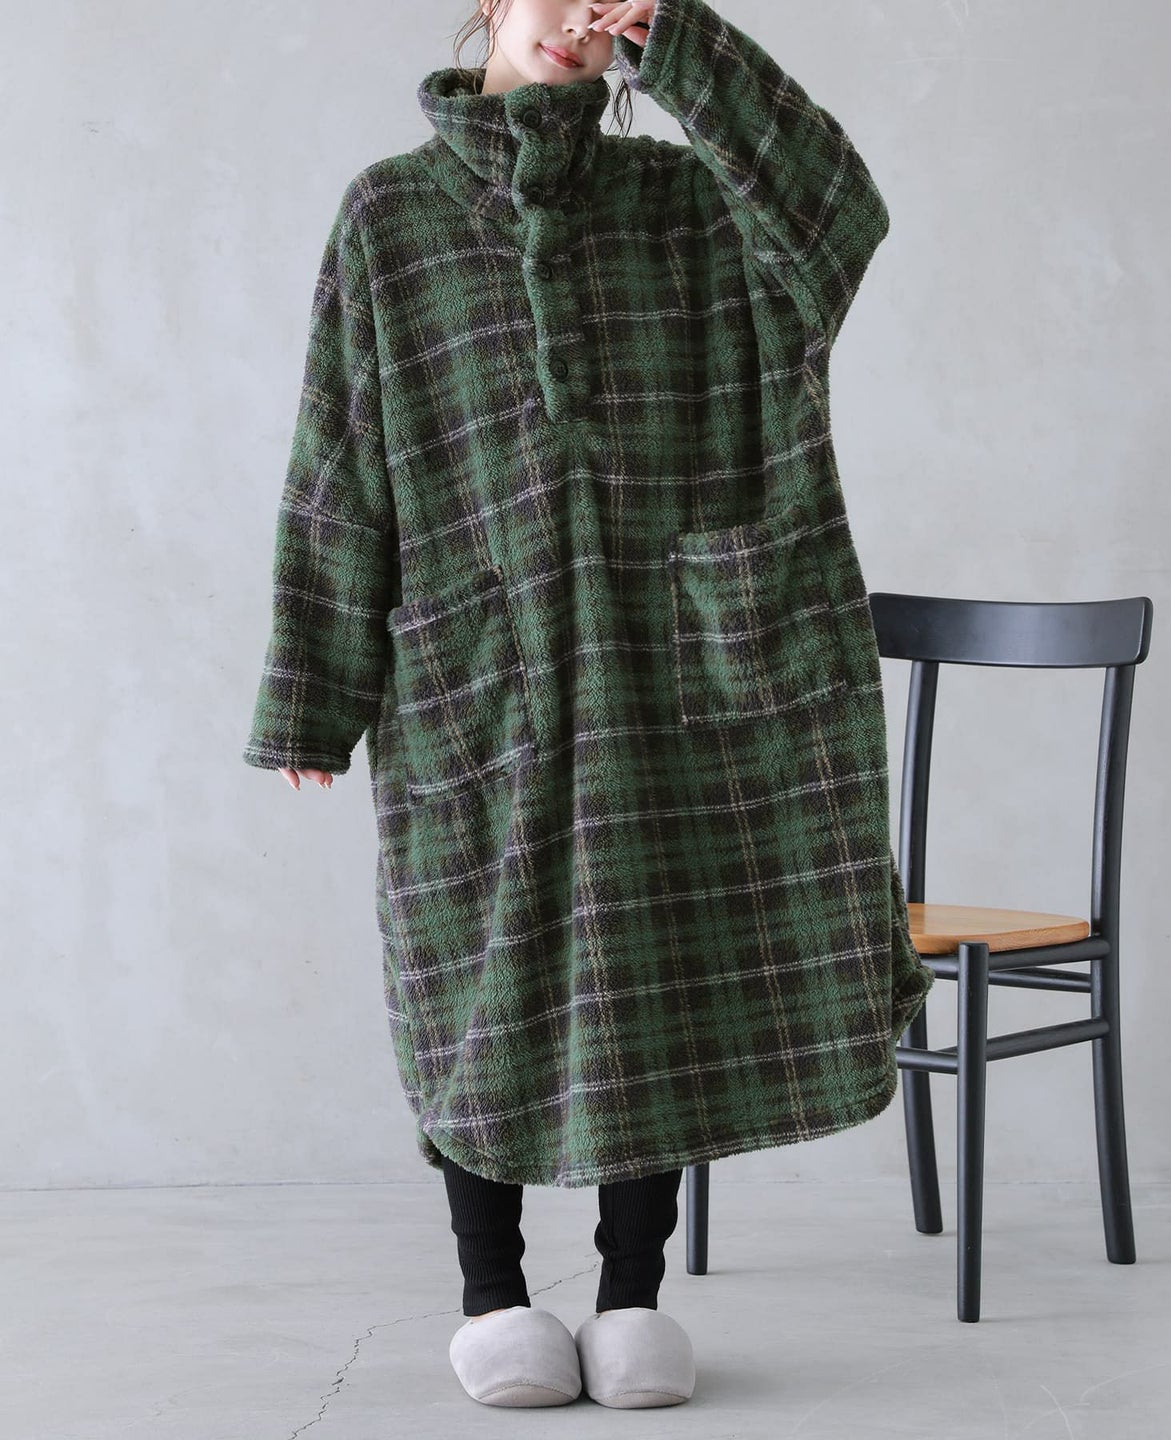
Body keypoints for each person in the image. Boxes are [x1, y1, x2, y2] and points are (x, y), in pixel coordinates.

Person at [244, 0, 933, 1410]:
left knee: (651, 961)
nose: (580, 20)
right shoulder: (390, 216)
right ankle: (492, 1295)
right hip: (471, 658)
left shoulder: (688, 197)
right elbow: (343, 450)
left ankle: (631, 1296)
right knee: (475, 970)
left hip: (671, 654)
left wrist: (687, 49)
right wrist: (315, 685)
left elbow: (836, 215)